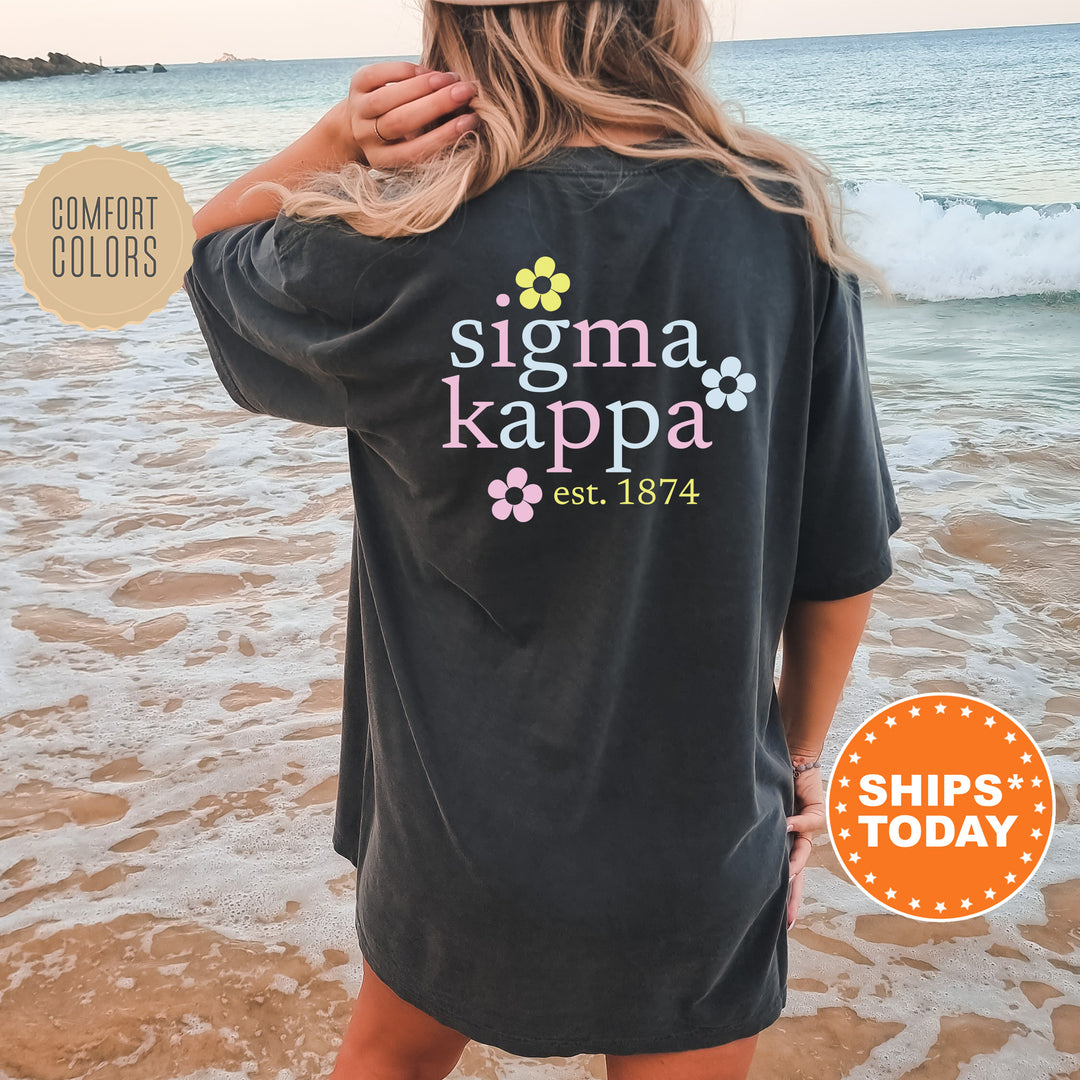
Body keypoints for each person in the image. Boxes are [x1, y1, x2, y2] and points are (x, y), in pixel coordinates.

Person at [182, 0, 903, 1077]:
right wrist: (801, 764)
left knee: (388, 1058)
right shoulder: (779, 220)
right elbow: (841, 559)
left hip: (454, 832)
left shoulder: (390, 238)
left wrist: (338, 142)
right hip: (697, 830)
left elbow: (202, 253)